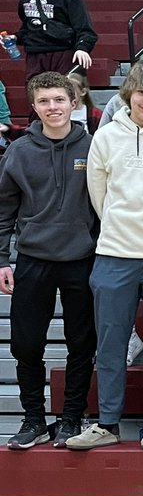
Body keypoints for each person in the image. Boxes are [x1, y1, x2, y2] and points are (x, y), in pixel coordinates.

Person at [66, 63, 143, 451]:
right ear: (129, 94)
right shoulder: (107, 136)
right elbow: (98, 194)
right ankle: (108, 424)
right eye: (142, 93)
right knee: (111, 344)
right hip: (114, 253)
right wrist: (119, 226)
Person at [0, 72, 97, 449]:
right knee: (26, 344)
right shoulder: (19, 152)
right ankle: (33, 419)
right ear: (35, 107)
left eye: (59, 99)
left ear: (74, 102)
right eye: (44, 102)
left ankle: (71, 417)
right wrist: (2, 260)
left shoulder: (94, 146)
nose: (52, 107)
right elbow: (4, 210)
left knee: (81, 343)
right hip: (33, 260)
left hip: (82, 259)